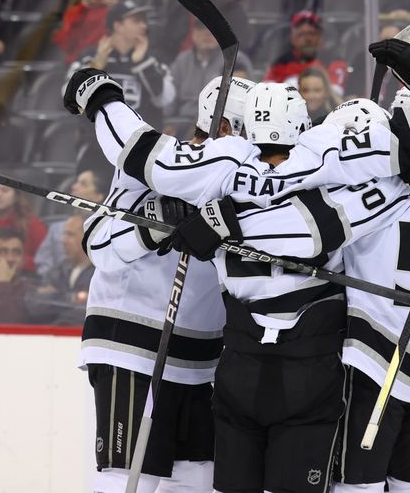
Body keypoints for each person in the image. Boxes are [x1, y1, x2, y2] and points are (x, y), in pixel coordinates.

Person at [66, 39, 410, 492]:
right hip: (334, 365)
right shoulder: (331, 159)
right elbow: (403, 147)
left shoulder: (215, 164)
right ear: (301, 124)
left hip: (250, 363)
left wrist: (101, 97)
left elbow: (140, 149)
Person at [75, 78, 255, 492]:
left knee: (197, 481)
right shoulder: (154, 165)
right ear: (227, 129)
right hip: (132, 346)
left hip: (204, 359)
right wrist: (150, 229)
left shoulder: (248, 182)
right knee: (128, 483)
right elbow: (97, 242)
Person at [67, 0, 175, 131]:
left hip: (142, 143)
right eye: (136, 21)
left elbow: (165, 99)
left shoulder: (153, 59)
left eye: (144, 21)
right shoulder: (90, 56)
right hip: (98, 142)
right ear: (117, 25)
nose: (144, 26)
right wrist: (95, 68)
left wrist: (142, 64)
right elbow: (70, 97)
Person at [166, 19, 253, 130]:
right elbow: (169, 101)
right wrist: (166, 123)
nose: (207, 33)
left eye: (212, 29)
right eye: (201, 29)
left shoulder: (235, 59)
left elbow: (240, 103)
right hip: (183, 125)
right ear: (193, 34)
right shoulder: (182, 61)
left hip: (219, 126)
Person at [34, 169, 106, 279]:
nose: (74, 187)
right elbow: (43, 266)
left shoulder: (107, 230)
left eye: (83, 184)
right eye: (76, 182)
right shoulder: (56, 229)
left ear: (98, 196)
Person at [27, 215, 94, 325]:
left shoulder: (100, 272)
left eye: (70, 235)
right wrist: (73, 298)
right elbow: (36, 304)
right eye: (64, 234)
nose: (63, 240)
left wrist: (55, 297)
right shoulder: (58, 271)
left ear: (88, 237)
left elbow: (86, 312)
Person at [264, 10, 348, 96]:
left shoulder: (333, 61)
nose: (308, 39)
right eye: (301, 34)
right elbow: (267, 93)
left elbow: (337, 93)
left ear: (320, 37)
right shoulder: (280, 63)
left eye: (311, 33)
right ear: (293, 38)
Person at [52, 0, 118, 64]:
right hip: (78, 62)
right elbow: (67, 42)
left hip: (108, 60)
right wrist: (83, 8)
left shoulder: (116, 9)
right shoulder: (74, 11)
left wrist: (117, 9)